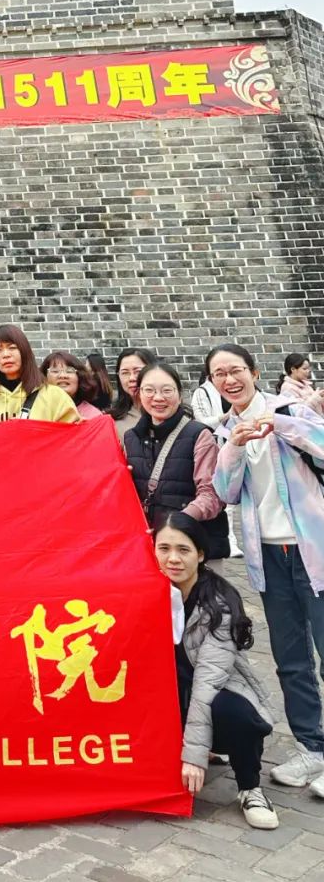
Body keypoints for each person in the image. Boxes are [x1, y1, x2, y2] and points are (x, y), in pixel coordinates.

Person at [210, 343, 324, 794]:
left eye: (235, 370)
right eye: (219, 374)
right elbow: (225, 492)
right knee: (291, 660)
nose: (229, 379)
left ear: (254, 372)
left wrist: (284, 426)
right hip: (268, 557)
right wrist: (234, 449)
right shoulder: (226, 429)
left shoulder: (288, 409)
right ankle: (312, 747)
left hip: (313, 549)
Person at [154, 512, 277, 830]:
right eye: (164, 548)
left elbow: (207, 684)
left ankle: (250, 788)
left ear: (200, 554)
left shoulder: (218, 604)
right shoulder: (148, 592)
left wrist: (193, 756)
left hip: (215, 697)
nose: (173, 559)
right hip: (172, 700)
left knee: (229, 709)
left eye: (183, 550)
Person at [122, 362, 226, 557]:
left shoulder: (199, 435)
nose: (158, 397)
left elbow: (212, 495)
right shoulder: (131, 438)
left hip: (195, 547)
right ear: (139, 394)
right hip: (149, 547)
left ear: (179, 394)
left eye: (167, 390)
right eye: (149, 390)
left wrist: (175, 524)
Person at [0, 326, 78, 425]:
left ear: (25, 351)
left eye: (12, 348)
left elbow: (73, 435)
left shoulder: (55, 396)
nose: (6, 355)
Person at [189, 363, 243, 558]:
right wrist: (226, 417)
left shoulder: (232, 390)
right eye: (219, 373)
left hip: (237, 443)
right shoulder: (202, 392)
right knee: (222, 495)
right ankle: (231, 540)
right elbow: (201, 421)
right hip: (215, 445)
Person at [41, 352, 104, 420]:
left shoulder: (94, 417)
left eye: (69, 371)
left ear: (80, 377)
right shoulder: (36, 411)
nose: (62, 375)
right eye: (55, 371)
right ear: (44, 377)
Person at [111, 348, 158, 439]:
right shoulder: (113, 420)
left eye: (138, 371)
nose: (131, 378)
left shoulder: (169, 412)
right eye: (125, 373)